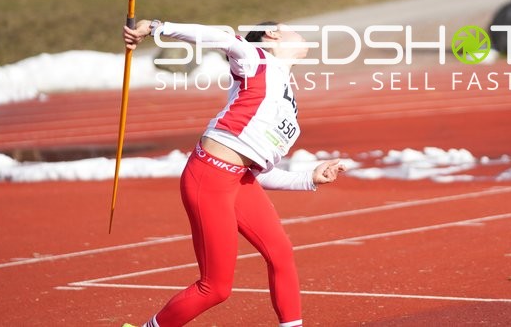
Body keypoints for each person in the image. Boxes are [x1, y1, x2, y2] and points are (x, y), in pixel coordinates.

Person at [122, 19, 346, 327]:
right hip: (209, 177)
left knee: (281, 253)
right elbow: (220, 37)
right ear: (273, 33)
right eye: (291, 27)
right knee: (215, 288)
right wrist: (156, 27)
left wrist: (308, 178)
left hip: (239, 180)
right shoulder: (256, 58)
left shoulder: (286, 97)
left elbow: (255, 172)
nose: (300, 33)